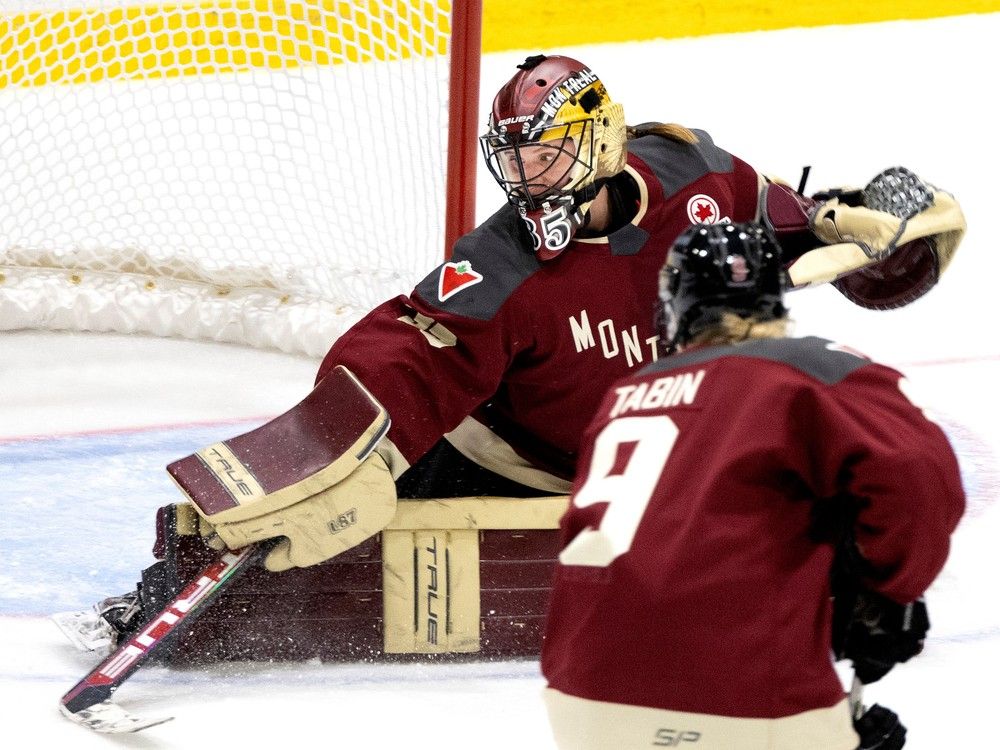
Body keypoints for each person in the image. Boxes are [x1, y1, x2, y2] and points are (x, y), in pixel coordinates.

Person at [56, 54, 966, 652]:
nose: (529, 180)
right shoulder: (500, 266)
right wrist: (327, 456)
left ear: (603, 142)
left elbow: (824, 245)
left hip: (649, 453)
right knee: (317, 534)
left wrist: (879, 228)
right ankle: (193, 584)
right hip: (509, 466)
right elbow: (404, 355)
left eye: (550, 157)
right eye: (517, 160)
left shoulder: (699, 180)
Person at [539, 222, 965, 750]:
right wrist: (886, 593)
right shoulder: (814, 370)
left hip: (580, 696)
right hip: (741, 694)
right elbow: (917, 477)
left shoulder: (626, 392)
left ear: (676, 300)